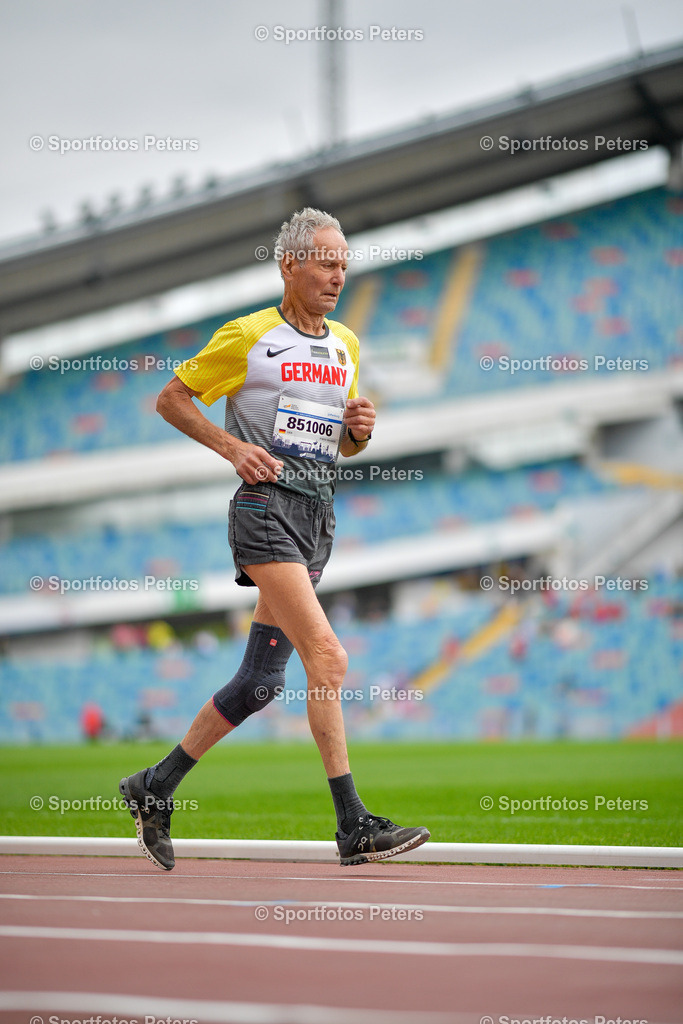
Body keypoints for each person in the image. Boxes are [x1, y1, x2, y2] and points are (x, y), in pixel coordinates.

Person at [119, 208, 430, 870]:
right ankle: (352, 825)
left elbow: (340, 442)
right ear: (289, 263)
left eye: (344, 263)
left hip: (318, 516)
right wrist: (232, 446)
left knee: (261, 681)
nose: (338, 274)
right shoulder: (248, 335)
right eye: (326, 261)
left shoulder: (344, 342)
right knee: (329, 657)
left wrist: (359, 429)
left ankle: (155, 787)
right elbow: (172, 398)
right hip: (264, 511)